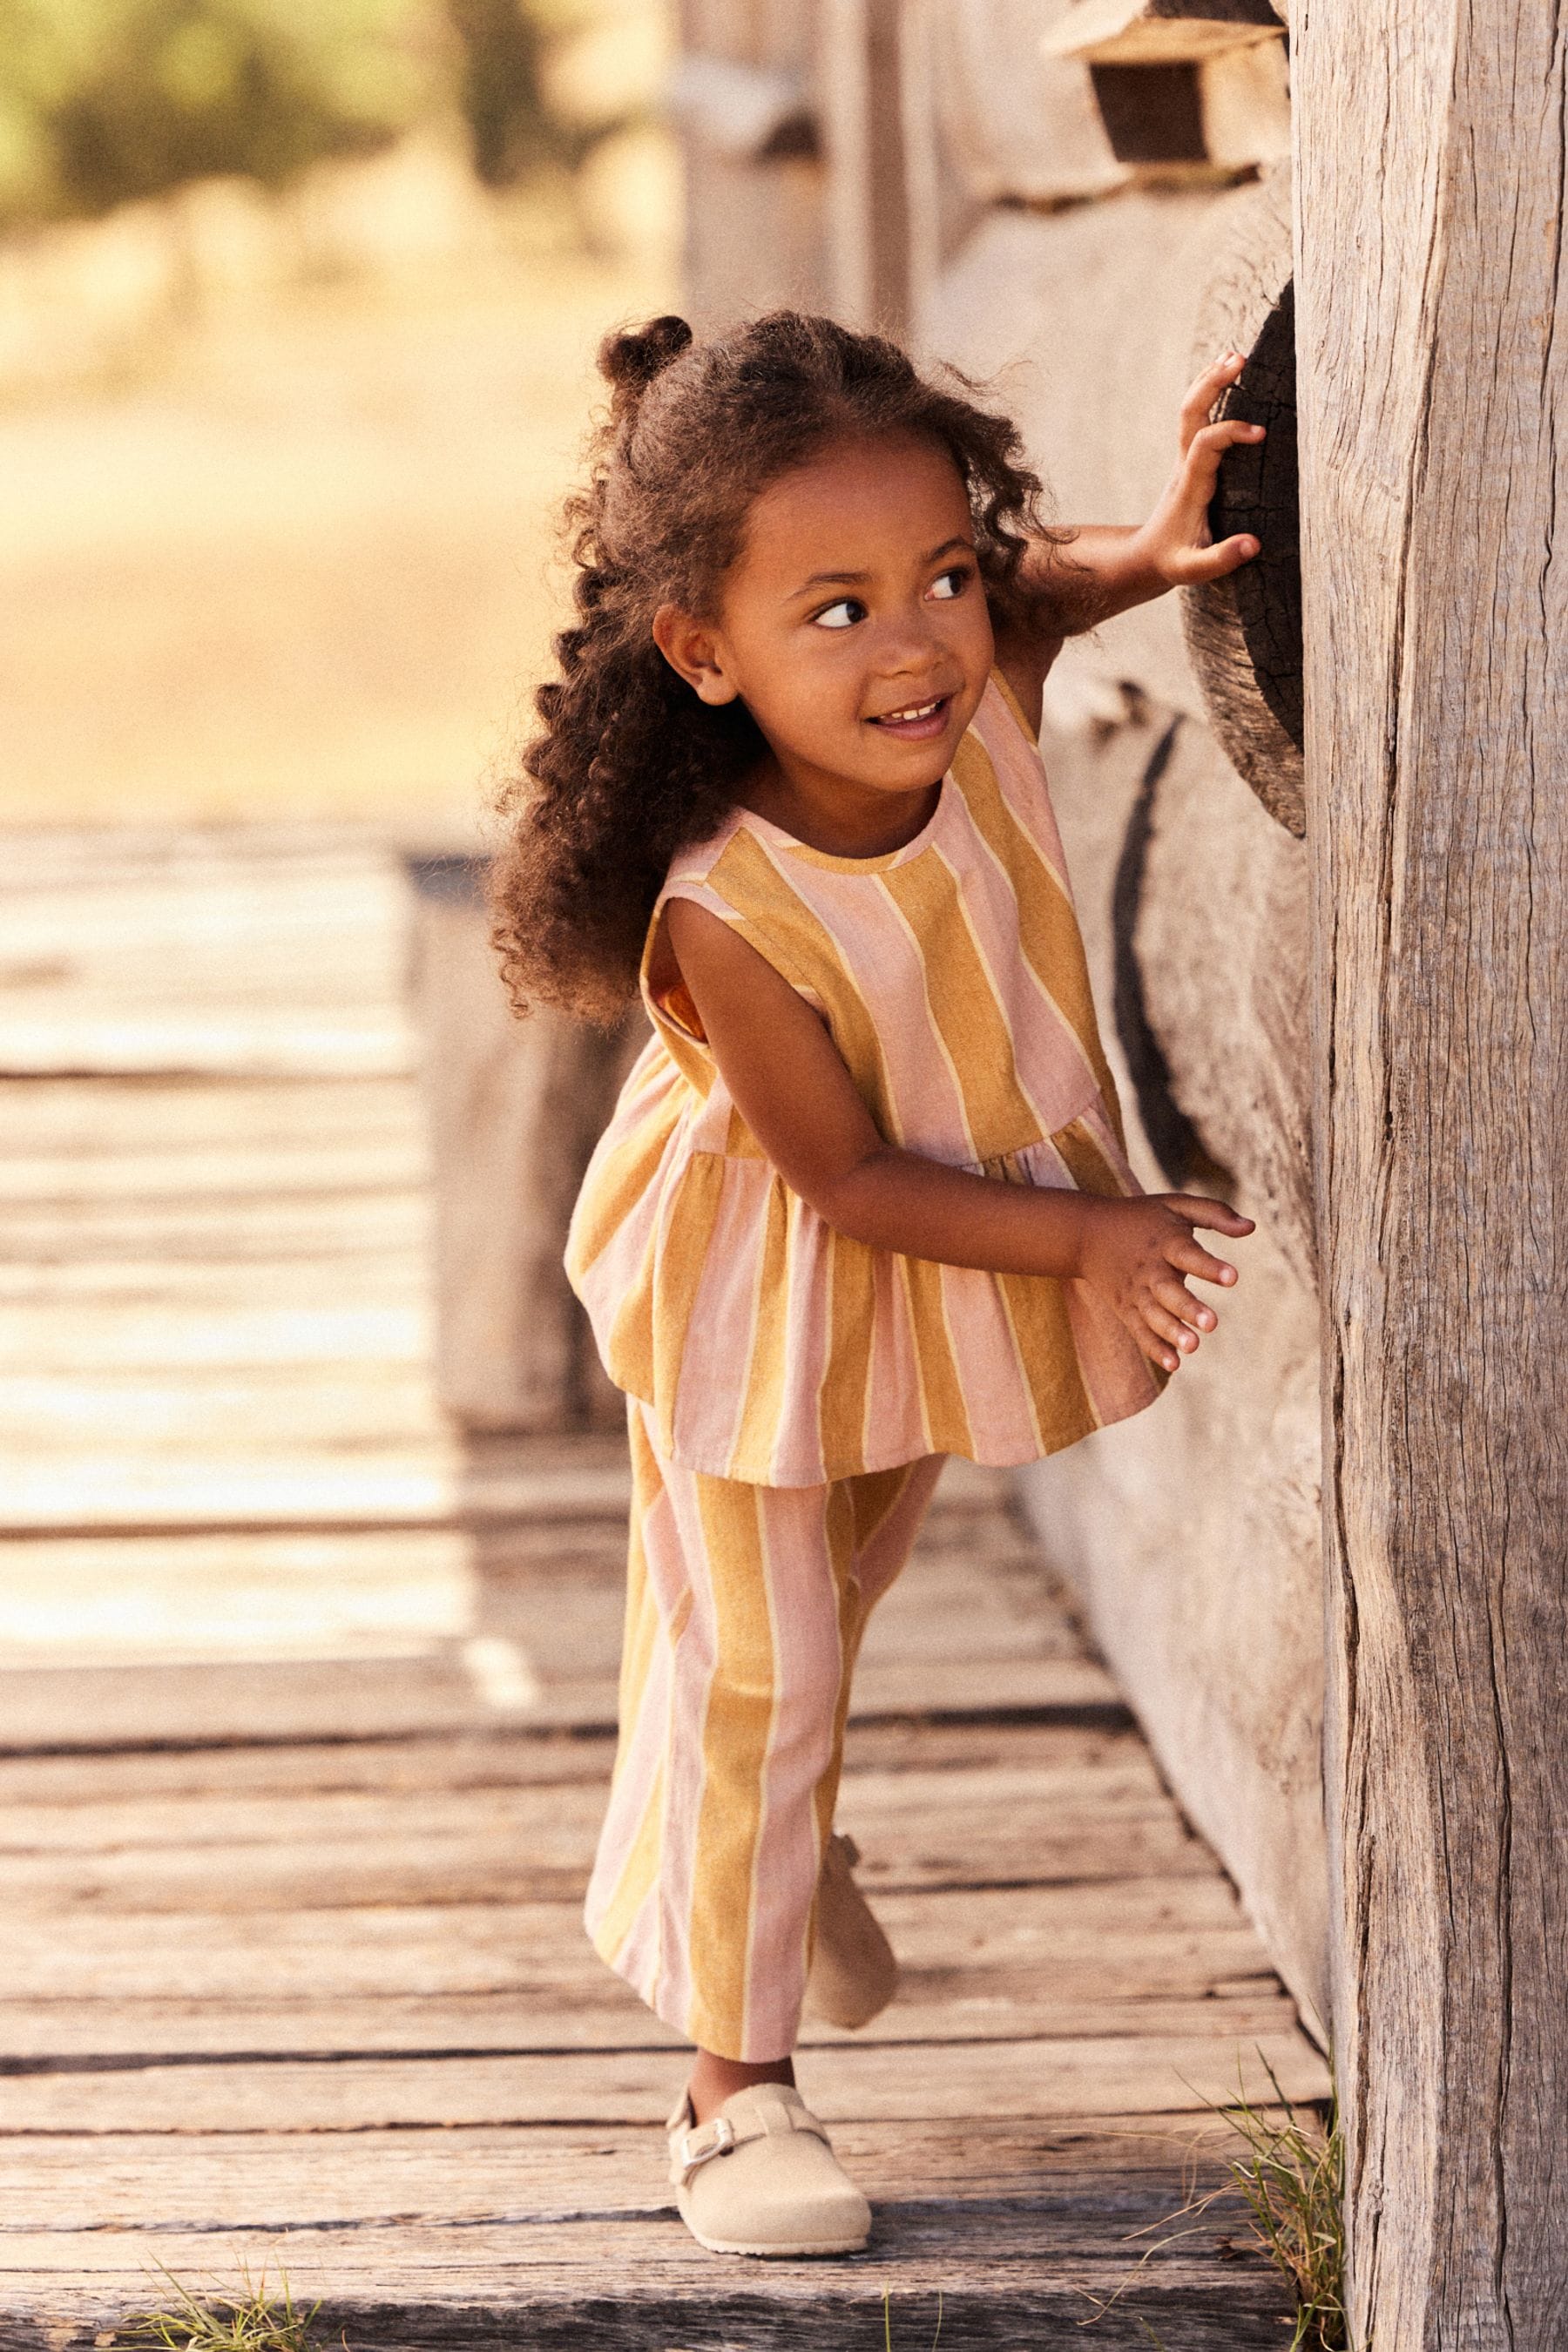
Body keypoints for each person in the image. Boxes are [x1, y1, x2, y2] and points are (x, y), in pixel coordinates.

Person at [489, 310, 1260, 2259]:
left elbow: (1034, 597)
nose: (914, 642)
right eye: (833, 610)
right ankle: (732, 2100)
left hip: (927, 1265)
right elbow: (835, 1177)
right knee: (761, 1657)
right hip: (768, 1270)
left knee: (836, 1600)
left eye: (934, 576)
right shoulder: (726, 909)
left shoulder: (968, 664)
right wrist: (1099, 1231)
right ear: (704, 651)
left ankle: (781, 1838)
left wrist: (1147, 553)